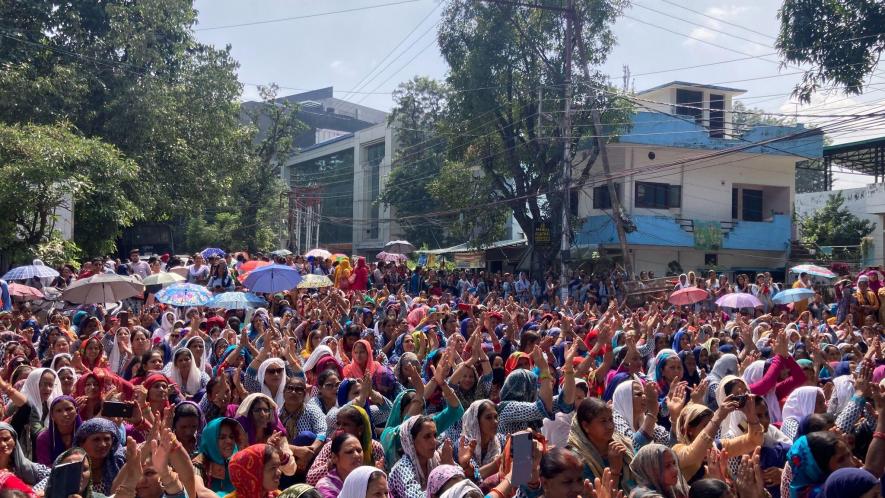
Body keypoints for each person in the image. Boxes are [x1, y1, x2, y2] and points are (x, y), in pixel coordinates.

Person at [192, 417, 246, 496]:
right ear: (210, 441)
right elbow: (201, 492)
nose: (229, 441)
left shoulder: (237, 463)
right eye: (222, 437)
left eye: (231, 437)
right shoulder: (198, 464)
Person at [315, 432, 364, 498]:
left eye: (359, 450)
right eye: (349, 452)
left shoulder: (368, 480)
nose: (357, 455)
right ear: (334, 457)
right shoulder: (325, 487)